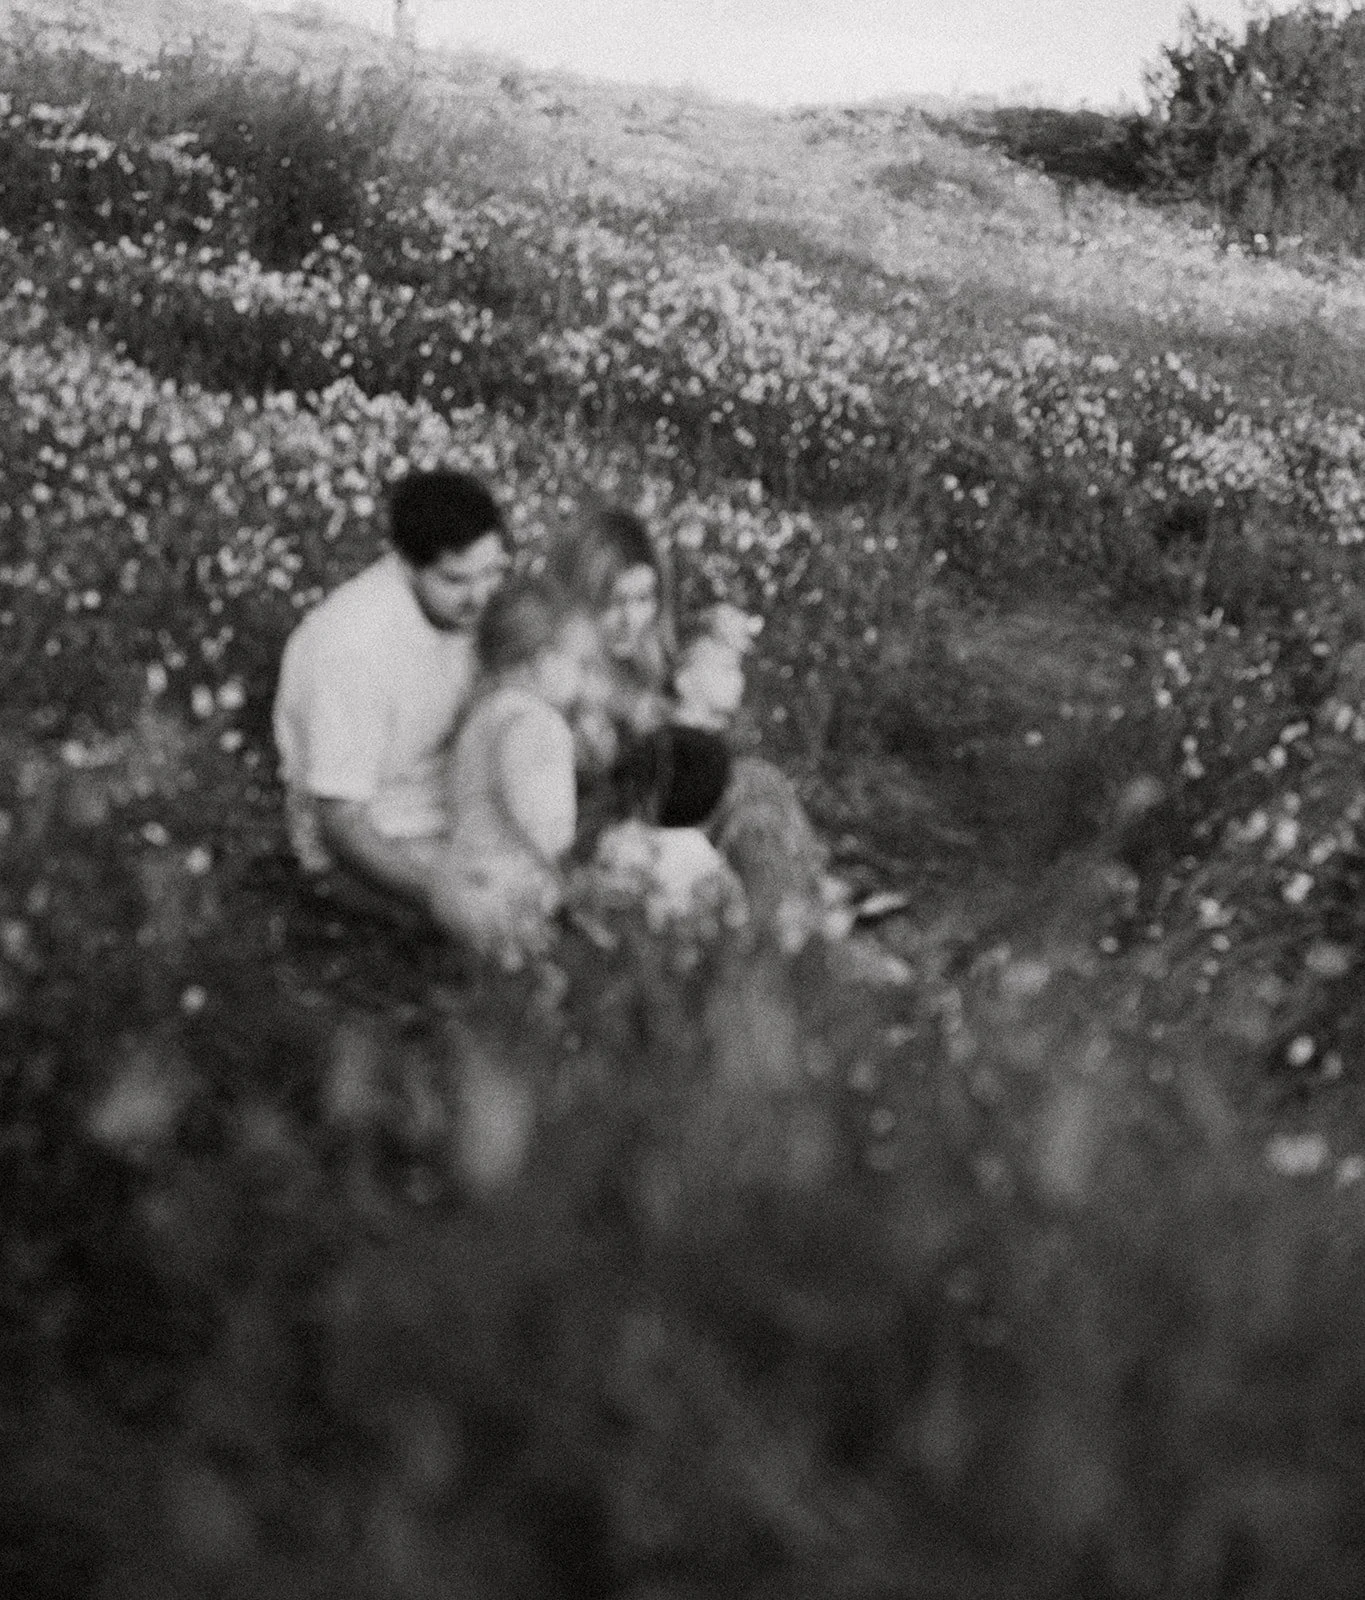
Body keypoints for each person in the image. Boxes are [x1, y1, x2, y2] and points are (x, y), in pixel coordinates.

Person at [543, 502, 843, 955]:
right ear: (577, 599)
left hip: (661, 812)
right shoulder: (553, 673)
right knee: (751, 787)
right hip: (600, 838)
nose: (631, 619)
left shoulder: (640, 661)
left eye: (643, 599)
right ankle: (795, 935)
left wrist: (716, 642)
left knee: (756, 788)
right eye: (613, 603)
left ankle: (800, 923)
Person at [272, 467, 509, 924]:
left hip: (455, 815)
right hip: (376, 844)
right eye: (456, 580)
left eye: (492, 572)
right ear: (406, 564)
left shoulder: (476, 610)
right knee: (501, 921)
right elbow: (341, 823)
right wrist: (441, 892)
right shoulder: (351, 645)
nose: (481, 597)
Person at [425, 577, 605, 963]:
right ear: (540, 660)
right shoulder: (536, 721)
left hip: (465, 882)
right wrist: (574, 878)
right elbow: (543, 824)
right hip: (511, 894)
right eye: (580, 664)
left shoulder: (481, 717)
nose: (584, 682)